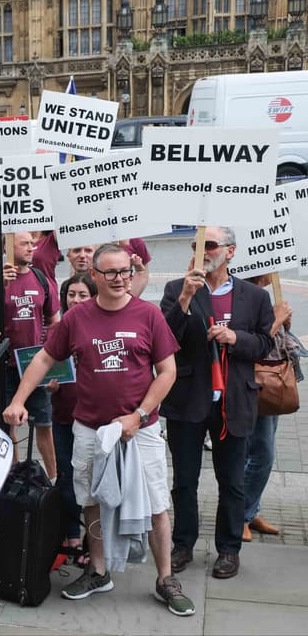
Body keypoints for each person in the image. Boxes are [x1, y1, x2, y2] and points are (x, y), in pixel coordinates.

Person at [4, 244, 192, 616]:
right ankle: (99, 570)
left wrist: (138, 415)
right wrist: (19, 399)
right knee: (91, 500)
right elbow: (45, 357)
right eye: (111, 272)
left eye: (124, 271)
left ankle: (166, 578)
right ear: (95, 275)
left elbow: (167, 371)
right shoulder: (77, 317)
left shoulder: (149, 315)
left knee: (157, 503)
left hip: (141, 430)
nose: (119, 278)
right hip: (90, 428)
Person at [160, 227, 273, 580]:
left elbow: (265, 344)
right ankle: (183, 545)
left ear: (230, 251)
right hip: (188, 399)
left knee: (232, 481)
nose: (202, 251)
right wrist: (184, 299)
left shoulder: (254, 296)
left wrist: (235, 337)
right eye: (196, 245)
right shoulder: (177, 289)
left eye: (209, 245)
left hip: (234, 400)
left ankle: (228, 549)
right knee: (184, 480)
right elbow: (163, 339)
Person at [47, 272, 97, 567]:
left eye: (82, 295)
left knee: (93, 481)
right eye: (71, 295)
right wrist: (49, 384)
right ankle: (71, 536)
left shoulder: (100, 325)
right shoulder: (58, 330)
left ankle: (94, 543)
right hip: (64, 414)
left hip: (94, 419)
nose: (76, 300)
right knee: (66, 477)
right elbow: (45, 365)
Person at [1, 231, 60, 477]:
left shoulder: (40, 278)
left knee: (44, 424)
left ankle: (54, 478)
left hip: (34, 366)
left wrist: (56, 368)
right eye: (24, 244)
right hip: (4, 366)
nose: (31, 248)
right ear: (8, 247)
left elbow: (55, 323)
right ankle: (12, 475)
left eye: (32, 244)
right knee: (7, 427)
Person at [241, 274, 294, 542]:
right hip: (254, 382)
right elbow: (251, 342)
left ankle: (250, 511)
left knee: (258, 451)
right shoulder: (243, 295)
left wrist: (284, 322)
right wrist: (275, 319)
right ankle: (239, 515)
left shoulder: (262, 295)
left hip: (271, 379)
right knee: (261, 454)